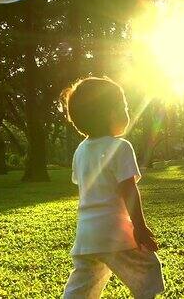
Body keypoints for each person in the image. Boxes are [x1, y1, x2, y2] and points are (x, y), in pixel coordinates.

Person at [61, 77, 164, 299]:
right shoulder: (121, 147)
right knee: (148, 269)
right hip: (115, 233)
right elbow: (128, 190)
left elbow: (85, 187)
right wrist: (140, 227)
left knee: (83, 285)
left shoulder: (80, 151)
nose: (128, 111)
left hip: (86, 236)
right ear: (111, 114)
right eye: (124, 106)